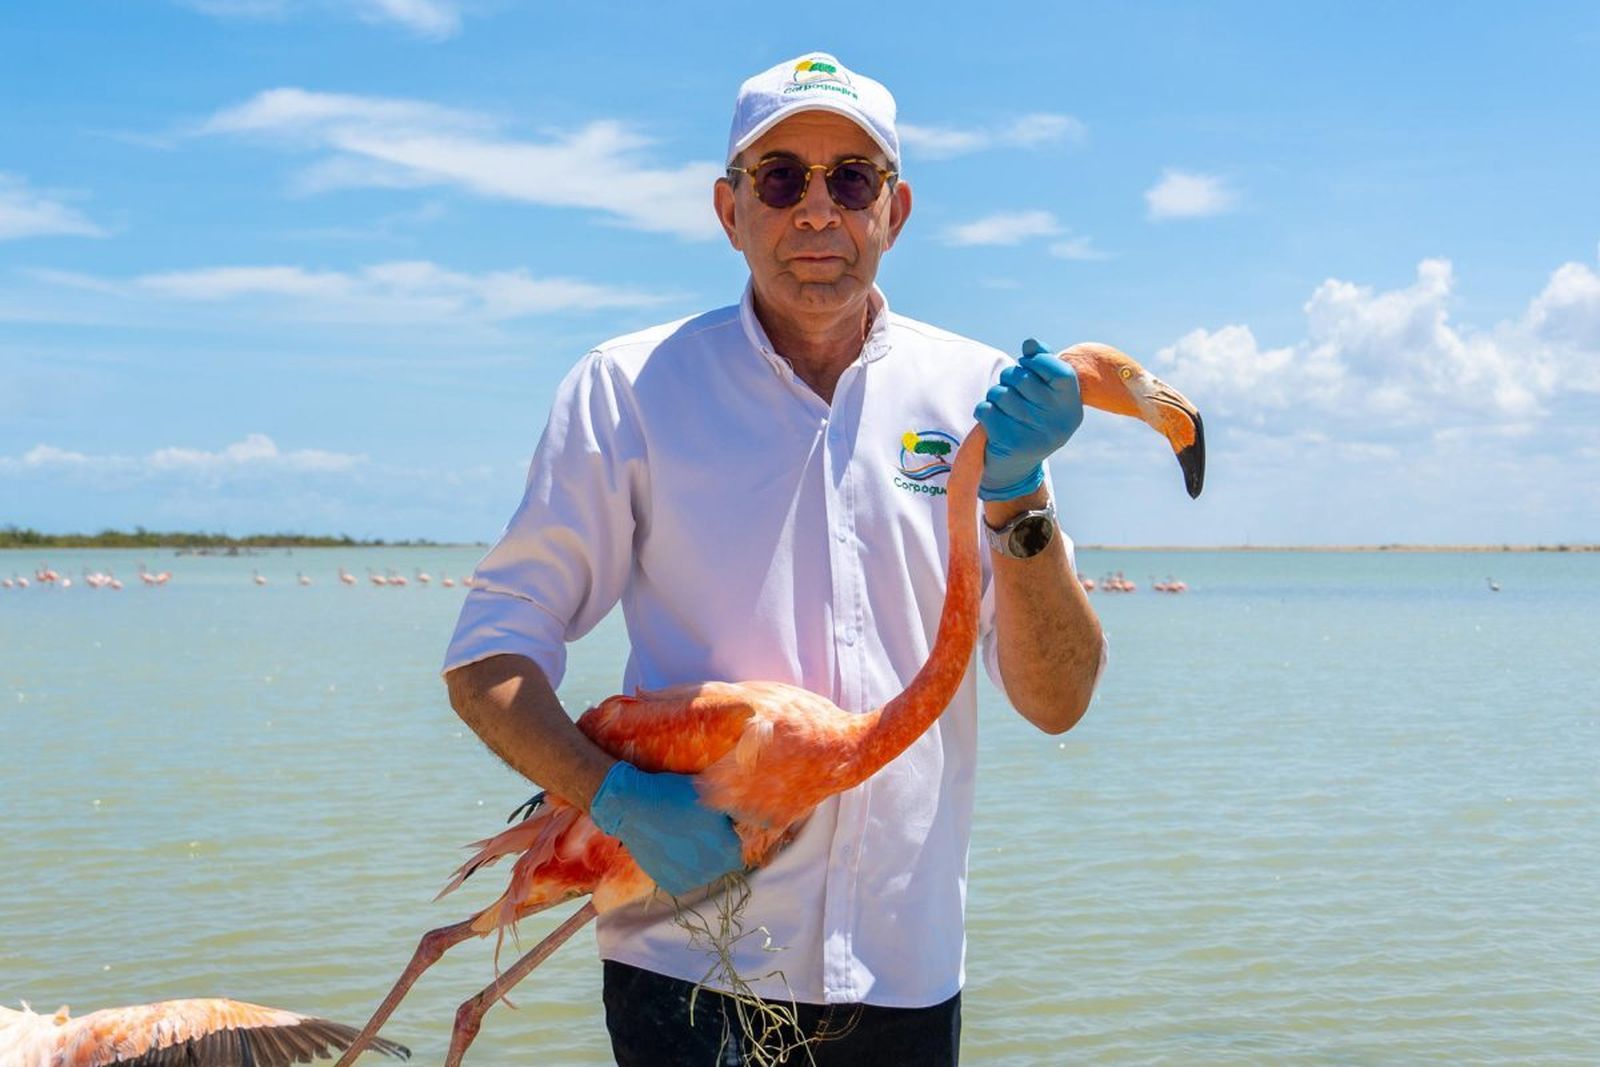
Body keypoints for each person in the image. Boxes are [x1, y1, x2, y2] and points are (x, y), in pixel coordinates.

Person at [443, 51, 1104, 1066]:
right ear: (728, 207)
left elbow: (1055, 700)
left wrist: (1016, 497)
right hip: (685, 974)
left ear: (897, 206)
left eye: (850, 177)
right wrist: (612, 797)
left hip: (906, 973)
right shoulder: (628, 387)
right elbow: (487, 655)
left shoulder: (979, 397)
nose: (814, 209)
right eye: (780, 176)